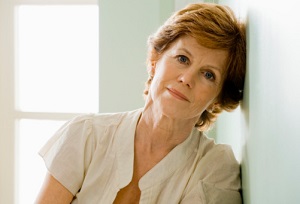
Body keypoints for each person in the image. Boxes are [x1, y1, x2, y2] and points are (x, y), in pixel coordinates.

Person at [35, 2, 246, 204]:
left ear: (218, 98)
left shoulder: (215, 168)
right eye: (182, 59)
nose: (187, 79)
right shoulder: (85, 135)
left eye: (208, 75)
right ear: (155, 60)